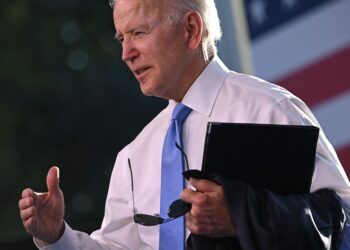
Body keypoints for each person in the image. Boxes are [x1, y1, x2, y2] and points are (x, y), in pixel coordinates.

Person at [19, 0, 350, 249]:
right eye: (121, 38)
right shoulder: (133, 156)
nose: (126, 53)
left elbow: (342, 220)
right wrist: (58, 237)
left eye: (138, 32)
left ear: (191, 29)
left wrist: (241, 215)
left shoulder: (268, 109)